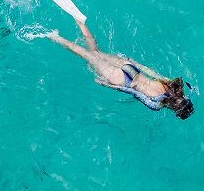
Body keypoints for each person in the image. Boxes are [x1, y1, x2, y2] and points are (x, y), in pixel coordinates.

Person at [45, 16, 194, 119]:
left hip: (132, 69)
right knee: (87, 55)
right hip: (123, 80)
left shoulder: (173, 85)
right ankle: (55, 37)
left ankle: (81, 23)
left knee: (96, 53)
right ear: (175, 110)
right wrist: (109, 85)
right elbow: (134, 92)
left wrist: (136, 64)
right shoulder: (157, 105)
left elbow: (152, 73)